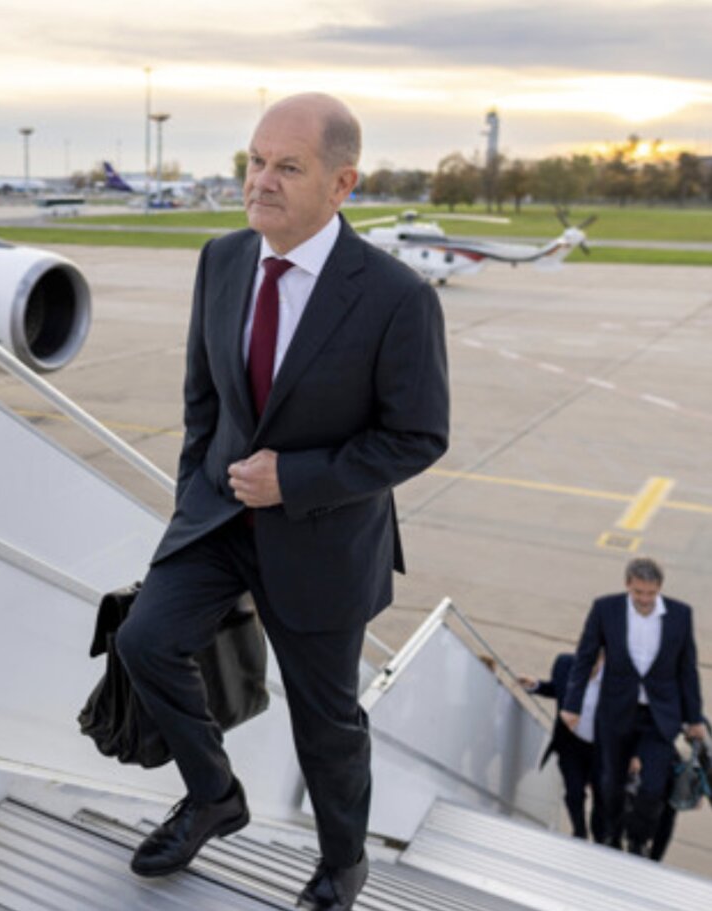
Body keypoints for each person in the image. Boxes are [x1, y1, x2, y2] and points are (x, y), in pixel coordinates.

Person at [115, 93, 449, 911]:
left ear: (341, 184)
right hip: (220, 514)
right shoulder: (221, 259)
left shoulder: (395, 296)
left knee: (323, 721)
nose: (260, 181)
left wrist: (294, 478)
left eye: (287, 167)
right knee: (144, 640)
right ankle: (212, 795)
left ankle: (342, 862)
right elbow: (202, 403)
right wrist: (192, 505)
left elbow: (417, 437)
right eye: (254, 161)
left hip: (323, 538)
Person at [562, 557, 707, 857]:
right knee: (610, 785)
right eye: (639, 592)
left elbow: (687, 669)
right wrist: (572, 705)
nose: (644, 599)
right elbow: (585, 657)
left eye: (651, 593)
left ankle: (638, 840)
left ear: (660, 588)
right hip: (616, 712)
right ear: (628, 584)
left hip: (659, 716)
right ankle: (612, 838)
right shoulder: (606, 609)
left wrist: (694, 718)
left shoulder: (680, 615)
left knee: (653, 788)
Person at [520, 652, 605, 841]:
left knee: (602, 799)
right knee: (574, 792)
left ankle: (600, 840)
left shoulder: (618, 677)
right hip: (570, 744)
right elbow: (556, 688)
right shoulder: (566, 664)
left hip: (601, 749)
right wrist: (536, 686)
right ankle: (580, 832)